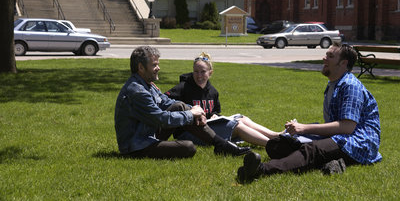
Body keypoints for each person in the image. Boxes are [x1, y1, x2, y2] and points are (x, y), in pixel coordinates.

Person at [237, 42, 382, 183]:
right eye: (326, 55)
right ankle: (330, 161)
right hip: (341, 137)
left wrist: (303, 128)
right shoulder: (334, 84)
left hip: (359, 143)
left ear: (343, 63)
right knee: (278, 144)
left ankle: (261, 170)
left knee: (312, 149)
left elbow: (347, 127)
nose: (324, 58)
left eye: (330, 56)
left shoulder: (351, 86)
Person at [114, 46, 250, 159]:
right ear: (141, 67)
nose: (158, 68)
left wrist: (195, 110)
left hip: (147, 134)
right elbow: (161, 119)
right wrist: (191, 114)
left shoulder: (147, 85)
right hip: (136, 146)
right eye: (154, 65)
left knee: (179, 106)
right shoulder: (137, 91)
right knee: (188, 147)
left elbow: (166, 101)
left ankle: (221, 145)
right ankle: (222, 144)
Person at [165, 52, 281, 147]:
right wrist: (188, 112)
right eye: (196, 71)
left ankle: (274, 136)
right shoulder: (183, 87)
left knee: (242, 118)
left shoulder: (213, 92)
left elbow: (214, 111)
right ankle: (273, 146)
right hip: (189, 133)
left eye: (203, 72)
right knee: (237, 126)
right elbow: (165, 102)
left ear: (210, 73)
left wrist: (215, 115)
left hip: (208, 127)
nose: (199, 75)